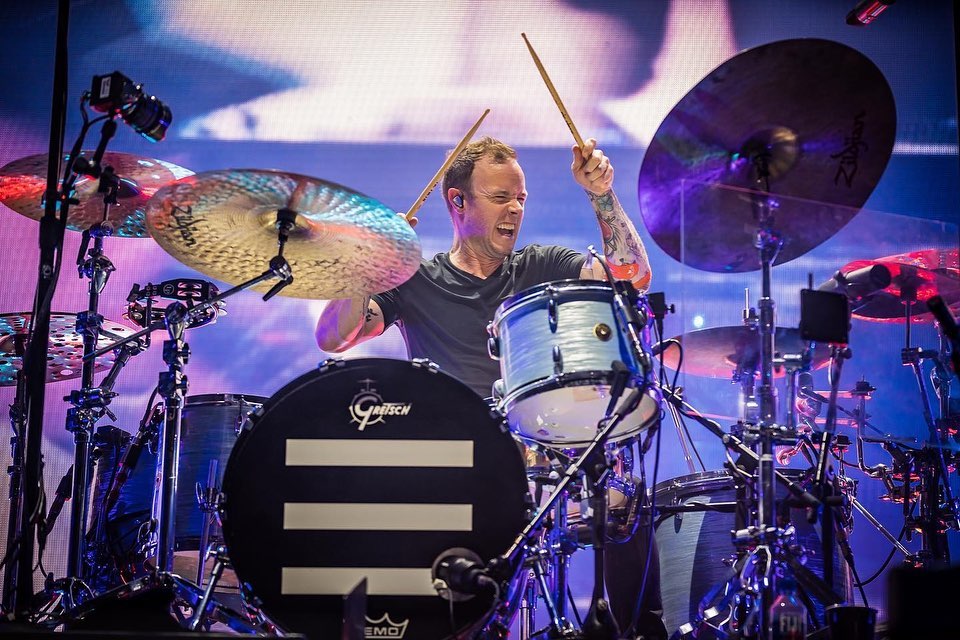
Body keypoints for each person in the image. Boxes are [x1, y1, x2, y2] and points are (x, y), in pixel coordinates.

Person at [316, 136, 665, 639]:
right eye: (501, 198)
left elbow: (633, 279)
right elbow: (334, 337)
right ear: (457, 202)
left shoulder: (542, 264)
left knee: (623, 496)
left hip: (540, 460)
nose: (515, 209)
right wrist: (369, 263)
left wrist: (602, 195)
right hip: (450, 467)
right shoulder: (416, 280)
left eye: (520, 198)